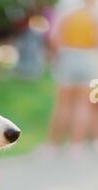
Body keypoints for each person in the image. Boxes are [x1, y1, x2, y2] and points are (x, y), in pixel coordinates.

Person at [48, 0, 98, 156]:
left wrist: (58, 55)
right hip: (90, 58)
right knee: (83, 104)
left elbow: (54, 37)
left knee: (63, 104)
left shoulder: (66, 5)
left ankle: (53, 146)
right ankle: (76, 147)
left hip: (68, 56)